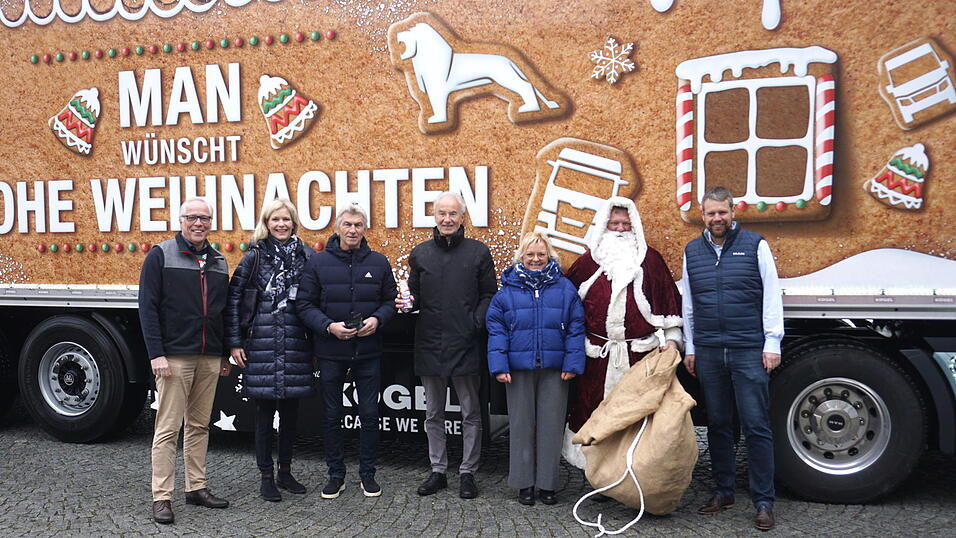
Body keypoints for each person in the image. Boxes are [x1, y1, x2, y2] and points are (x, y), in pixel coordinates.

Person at [681, 186, 783, 531]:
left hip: (748, 349)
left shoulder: (756, 245)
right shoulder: (692, 251)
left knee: (756, 425)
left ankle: (764, 501)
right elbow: (689, 306)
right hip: (709, 350)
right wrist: (691, 348)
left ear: (733, 211)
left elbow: (772, 294)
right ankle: (724, 491)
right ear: (703, 215)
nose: (716, 219)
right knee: (719, 425)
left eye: (722, 212)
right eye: (710, 213)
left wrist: (772, 342)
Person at [562, 196, 683, 469]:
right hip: (597, 358)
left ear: (634, 226)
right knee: (593, 413)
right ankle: (596, 472)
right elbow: (566, 309)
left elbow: (670, 308)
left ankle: (632, 471)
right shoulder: (588, 263)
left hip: (638, 358)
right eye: (614, 223)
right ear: (604, 225)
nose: (619, 229)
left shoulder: (651, 261)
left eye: (625, 224)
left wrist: (673, 341)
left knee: (634, 416)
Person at [398, 191, 497, 499]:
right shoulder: (421, 253)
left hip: (466, 342)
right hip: (429, 342)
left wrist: (475, 323)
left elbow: (489, 296)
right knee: (433, 413)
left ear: (462, 217)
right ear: (434, 217)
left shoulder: (479, 252)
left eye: (453, 214)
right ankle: (438, 470)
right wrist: (406, 302)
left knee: (470, 413)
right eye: (442, 213)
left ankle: (468, 472)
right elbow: (412, 295)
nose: (447, 219)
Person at [139, 198, 231, 525]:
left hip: (208, 356)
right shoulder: (160, 255)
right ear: (181, 220)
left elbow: (224, 313)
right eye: (192, 217)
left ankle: (197, 487)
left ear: (211, 223)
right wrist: (156, 354)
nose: (198, 223)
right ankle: (161, 497)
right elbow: (147, 308)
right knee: (167, 429)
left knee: (199, 426)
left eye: (204, 218)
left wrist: (224, 352)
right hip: (173, 357)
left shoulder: (219, 261)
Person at [297, 204, 397, 499]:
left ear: (365, 229)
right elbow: (304, 304)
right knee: (331, 416)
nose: (353, 230)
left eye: (358, 225)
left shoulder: (379, 262)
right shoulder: (317, 263)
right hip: (330, 351)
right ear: (338, 228)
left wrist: (377, 320)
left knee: (369, 415)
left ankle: (368, 474)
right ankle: (335, 474)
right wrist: (328, 326)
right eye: (348, 224)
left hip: (368, 351)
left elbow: (391, 301)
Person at [224, 199, 315, 502]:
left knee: (291, 415)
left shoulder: (306, 257)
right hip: (261, 344)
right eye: (275, 219)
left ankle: (285, 472)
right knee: (264, 415)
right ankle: (266, 476)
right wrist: (235, 342)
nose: (281, 224)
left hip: (294, 344)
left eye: (286, 219)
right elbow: (234, 300)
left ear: (294, 222)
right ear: (266, 222)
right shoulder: (254, 258)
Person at [486, 232, 585, 506]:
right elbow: (496, 331)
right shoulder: (506, 292)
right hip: (517, 370)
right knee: (520, 427)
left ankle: (548, 485)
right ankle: (523, 484)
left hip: (555, 370)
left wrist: (572, 363)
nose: (535, 259)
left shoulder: (565, 289)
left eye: (541, 254)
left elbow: (576, 328)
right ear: (521, 256)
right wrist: (500, 366)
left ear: (549, 256)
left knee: (551, 428)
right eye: (530, 254)